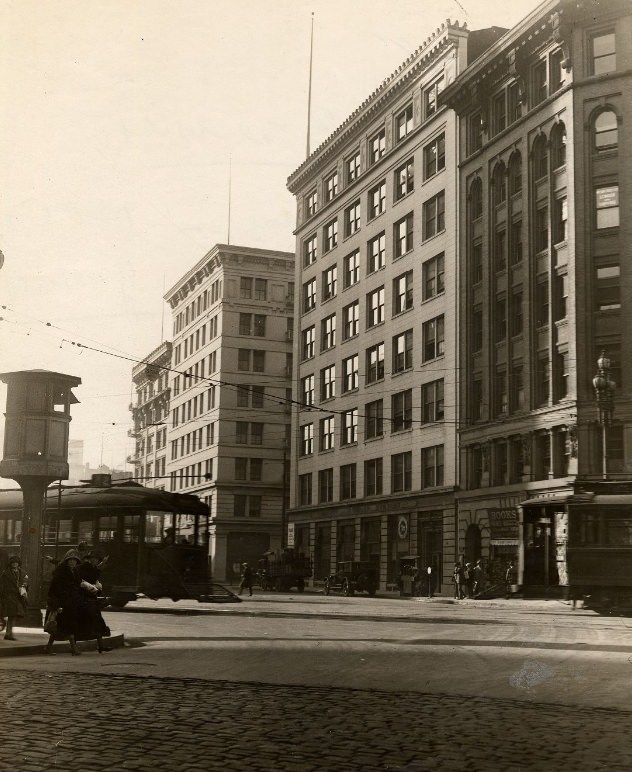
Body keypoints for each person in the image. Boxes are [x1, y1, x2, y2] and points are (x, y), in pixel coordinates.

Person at [45, 548, 110, 655]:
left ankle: (52, 648)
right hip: (63, 603)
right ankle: (72, 649)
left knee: (65, 626)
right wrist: (55, 603)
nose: (72, 562)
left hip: (72, 602)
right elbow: (53, 589)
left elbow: (79, 584)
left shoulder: (75, 571)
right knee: (60, 626)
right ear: (67, 561)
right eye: (70, 560)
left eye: (74, 561)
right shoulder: (61, 573)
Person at [79, 551, 112, 649]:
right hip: (84, 597)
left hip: (91, 596)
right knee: (94, 620)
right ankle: (100, 645)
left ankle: (101, 645)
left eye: (96, 559)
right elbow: (81, 581)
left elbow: (96, 573)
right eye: (93, 558)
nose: (95, 560)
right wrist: (92, 586)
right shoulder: (84, 567)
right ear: (89, 559)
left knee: (96, 620)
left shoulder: (93, 568)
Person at [0, 555, 28, 641]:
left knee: (13, 615)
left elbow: (25, 582)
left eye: (16, 563)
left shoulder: (22, 573)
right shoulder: (6, 573)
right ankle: (9, 633)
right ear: (10, 564)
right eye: (13, 563)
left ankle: (9, 633)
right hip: (9, 596)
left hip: (17, 596)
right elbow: (3, 585)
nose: (15, 564)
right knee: (11, 614)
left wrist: (24, 587)